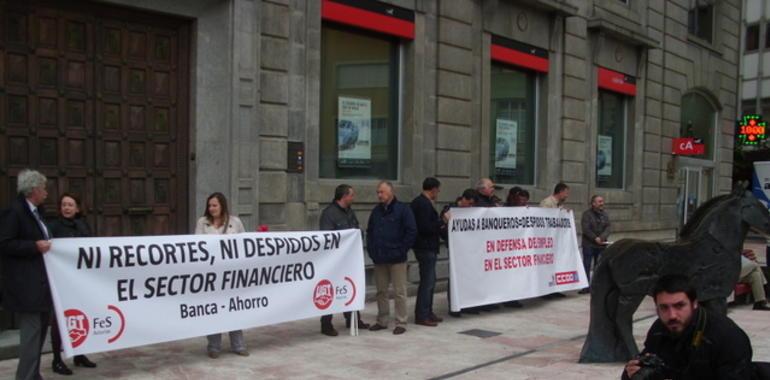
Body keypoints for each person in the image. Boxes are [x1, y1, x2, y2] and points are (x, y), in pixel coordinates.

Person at [622, 274, 755, 380]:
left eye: (679, 306)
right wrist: (631, 373)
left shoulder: (727, 337)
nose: (672, 315)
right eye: (664, 307)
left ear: (694, 304)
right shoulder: (659, 330)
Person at [0, 169, 53, 380]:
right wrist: (34, 246)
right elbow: (5, 244)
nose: (46, 193)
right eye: (44, 188)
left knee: (39, 336)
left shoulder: (37, 212)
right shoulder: (14, 212)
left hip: (41, 283)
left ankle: (33, 375)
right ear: (33, 190)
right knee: (31, 337)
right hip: (26, 285)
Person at [47, 193, 97, 375]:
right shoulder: (52, 226)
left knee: (82, 316)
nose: (67, 208)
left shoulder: (83, 225)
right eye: (64, 204)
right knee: (59, 319)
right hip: (60, 280)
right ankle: (57, 359)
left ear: (77, 208)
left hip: (80, 279)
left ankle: (79, 354)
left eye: (70, 205)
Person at [196, 192, 250, 358]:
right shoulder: (202, 223)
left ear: (222, 205)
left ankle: (238, 345)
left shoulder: (235, 222)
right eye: (209, 206)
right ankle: (214, 346)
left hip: (232, 274)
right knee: (213, 309)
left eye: (215, 205)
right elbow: (197, 246)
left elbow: (245, 245)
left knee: (234, 307)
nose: (211, 209)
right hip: (211, 275)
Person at [318, 184, 370, 336]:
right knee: (331, 289)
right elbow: (327, 238)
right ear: (344, 196)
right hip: (334, 261)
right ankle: (326, 324)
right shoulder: (329, 214)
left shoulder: (349, 212)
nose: (353, 198)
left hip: (350, 259)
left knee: (351, 287)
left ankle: (353, 318)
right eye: (352, 195)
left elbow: (356, 231)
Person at [367, 181, 417, 335]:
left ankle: (401, 321)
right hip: (380, 257)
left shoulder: (403, 209)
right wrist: (372, 251)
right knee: (381, 291)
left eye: (381, 192)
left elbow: (411, 231)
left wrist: (401, 249)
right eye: (378, 192)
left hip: (397, 258)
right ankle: (382, 320)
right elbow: (370, 232)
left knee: (399, 291)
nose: (379, 195)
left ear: (391, 192)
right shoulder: (376, 211)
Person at [441, 190, 480, 317]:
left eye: (472, 204)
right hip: (455, 249)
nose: (470, 207)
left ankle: (467, 304)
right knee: (454, 277)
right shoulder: (450, 210)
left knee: (469, 277)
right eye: (469, 203)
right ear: (463, 199)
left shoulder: (471, 210)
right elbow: (441, 231)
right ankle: (454, 306)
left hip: (469, 249)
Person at [411, 178, 443, 327]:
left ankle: (428, 312)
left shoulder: (422, 202)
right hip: (425, 247)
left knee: (430, 281)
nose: (438, 193)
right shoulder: (422, 204)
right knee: (427, 282)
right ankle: (422, 314)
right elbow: (425, 227)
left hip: (426, 246)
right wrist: (441, 221)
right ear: (433, 189)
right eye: (438, 190)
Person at [540, 182, 570, 299]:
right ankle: (545, 291)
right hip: (547, 241)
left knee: (555, 266)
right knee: (546, 267)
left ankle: (554, 289)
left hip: (556, 241)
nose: (567, 196)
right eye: (566, 193)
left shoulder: (560, 205)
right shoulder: (547, 203)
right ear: (560, 191)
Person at [579, 195, 610, 294]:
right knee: (587, 265)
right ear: (593, 203)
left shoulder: (605, 214)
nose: (602, 203)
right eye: (600, 201)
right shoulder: (586, 214)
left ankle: (597, 286)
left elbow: (608, 227)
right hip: (589, 244)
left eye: (602, 201)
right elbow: (586, 228)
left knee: (599, 266)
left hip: (601, 245)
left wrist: (601, 237)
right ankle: (585, 286)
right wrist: (595, 238)